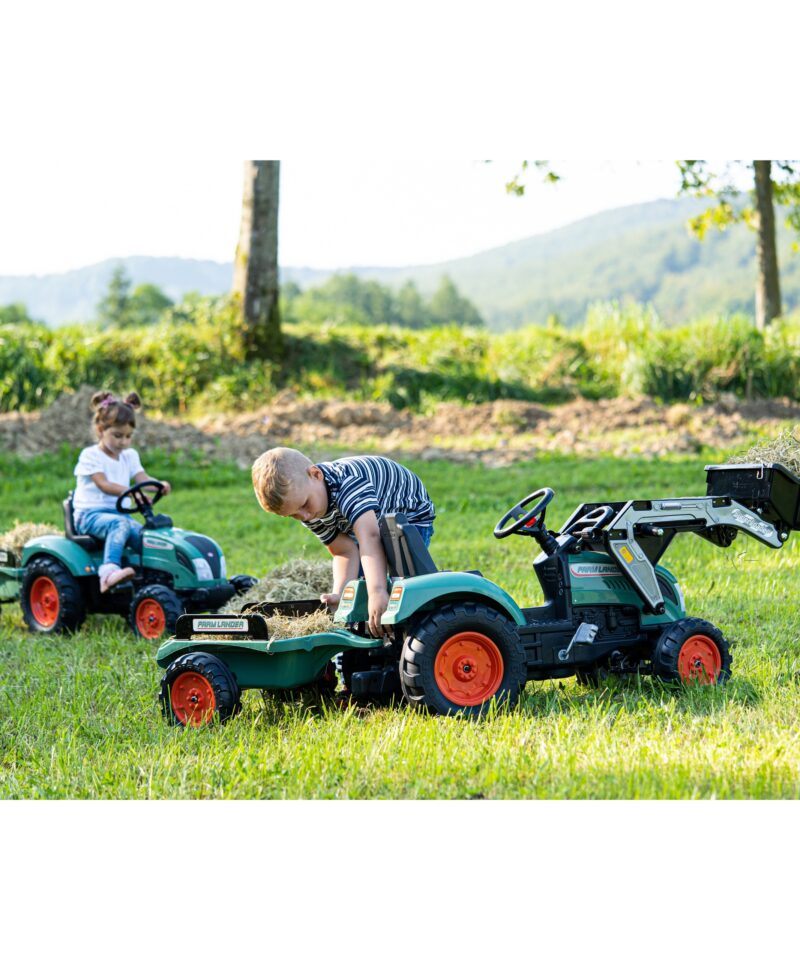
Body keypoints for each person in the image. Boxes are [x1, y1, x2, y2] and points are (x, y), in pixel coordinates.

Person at [252, 448, 435, 640]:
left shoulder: (348, 486)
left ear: (316, 474)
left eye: (305, 505)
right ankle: (376, 642)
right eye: (293, 515)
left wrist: (377, 591)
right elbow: (344, 551)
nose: (304, 516)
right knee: (358, 592)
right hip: (365, 524)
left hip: (406, 515)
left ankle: (416, 635)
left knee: (401, 588)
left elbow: (370, 538)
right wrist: (340, 593)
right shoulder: (308, 506)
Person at [73, 390, 171, 593]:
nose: (124, 442)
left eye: (128, 436)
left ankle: (157, 579)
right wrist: (131, 492)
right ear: (101, 430)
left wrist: (158, 485)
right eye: (117, 436)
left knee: (146, 536)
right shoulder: (91, 455)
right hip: (90, 516)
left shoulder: (129, 455)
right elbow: (103, 484)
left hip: (119, 514)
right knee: (119, 524)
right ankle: (108, 574)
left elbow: (142, 479)